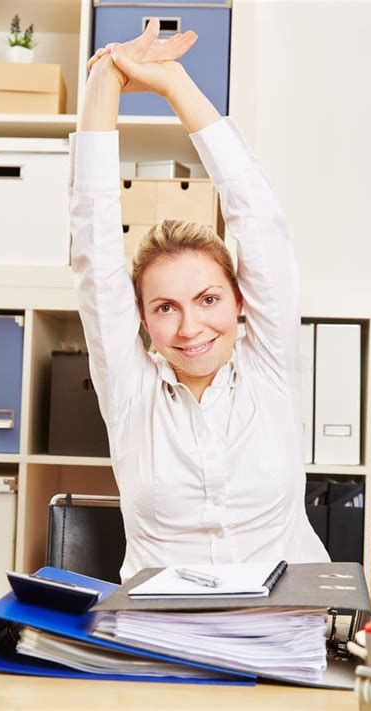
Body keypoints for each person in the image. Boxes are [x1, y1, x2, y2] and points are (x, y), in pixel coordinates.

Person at [70, 20, 328, 582]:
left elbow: (259, 220)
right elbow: (93, 247)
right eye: (165, 308)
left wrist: (174, 85)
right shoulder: (130, 390)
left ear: (239, 300)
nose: (191, 327)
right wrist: (104, 84)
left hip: (288, 629)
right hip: (165, 639)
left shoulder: (270, 368)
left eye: (208, 298)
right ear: (142, 319)